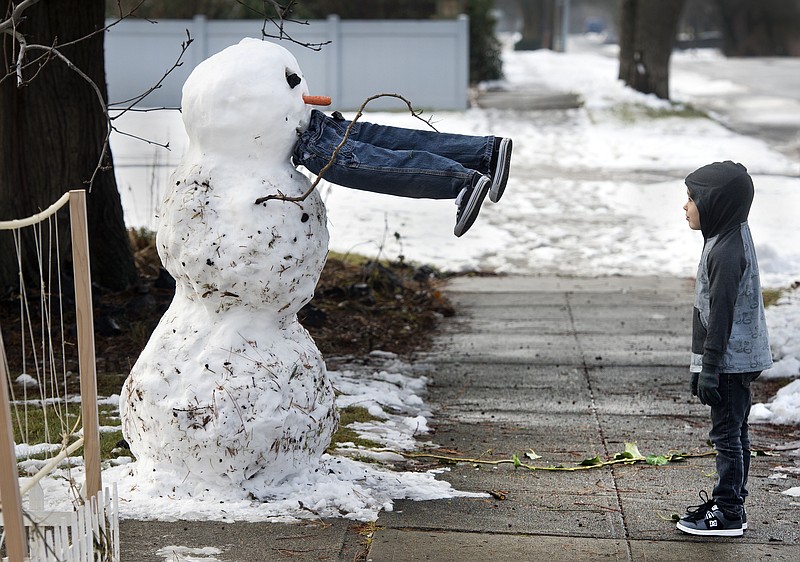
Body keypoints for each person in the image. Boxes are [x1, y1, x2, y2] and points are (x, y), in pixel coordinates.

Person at [676, 161, 772, 537]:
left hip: (730, 361)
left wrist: (710, 367)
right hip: (731, 359)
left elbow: (721, 316)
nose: (685, 206)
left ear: (714, 204)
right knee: (735, 432)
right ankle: (731, 502)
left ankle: (729, 510)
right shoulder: (727, 234)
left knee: (727, 436)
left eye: (691, 198)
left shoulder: (727, 251)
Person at [292, 107, 513, 237]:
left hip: (290, 134)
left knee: (352, 165)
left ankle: (463, 182)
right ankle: (486, 153)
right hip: (294, 112)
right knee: (383, 140)